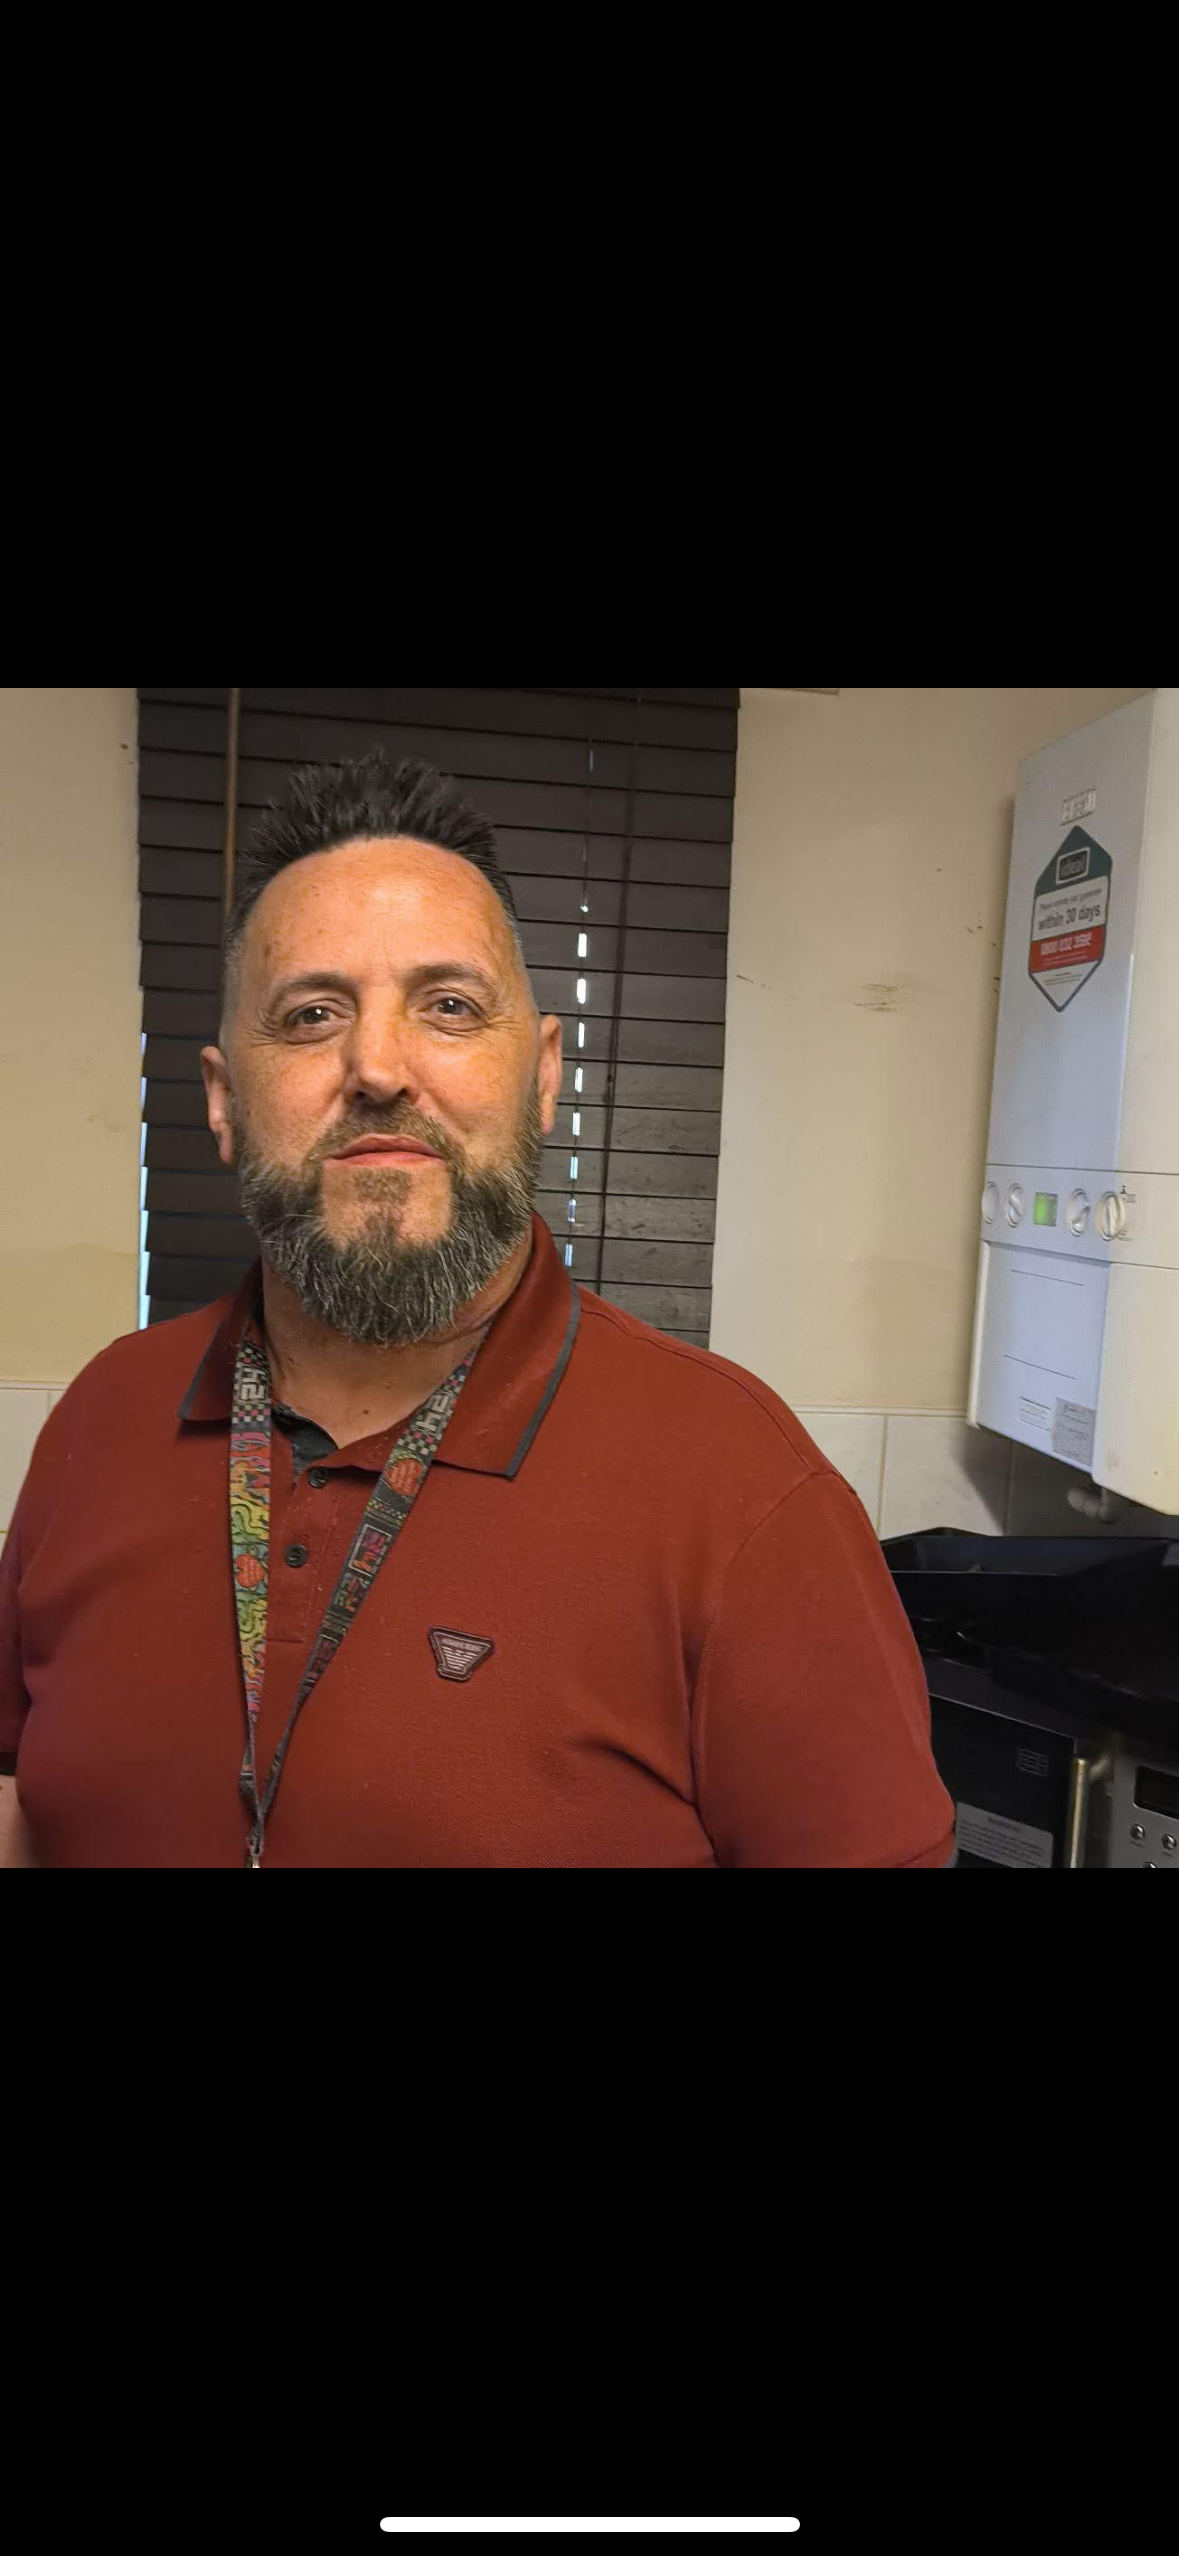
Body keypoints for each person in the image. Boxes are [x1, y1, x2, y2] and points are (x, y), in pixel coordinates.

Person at [0, 751, 955, 1869]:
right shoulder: (104, 1416)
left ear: (542, 1076)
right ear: (222, 1101)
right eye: (310, 1014)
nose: (377, 1066)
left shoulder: (745, 1492)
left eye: (448, 1007)